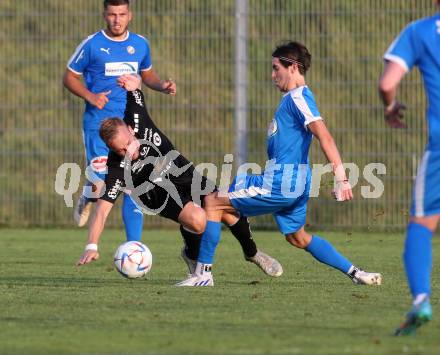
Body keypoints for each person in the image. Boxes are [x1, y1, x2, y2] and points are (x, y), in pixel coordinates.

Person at [176, 41, 383, 287]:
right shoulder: (291, 100)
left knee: (212, 201)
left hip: (281, 181)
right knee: (298, 238)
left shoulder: (299, 98)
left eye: (276, 68)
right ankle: (356, 274)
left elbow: (324, 135)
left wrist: (342, 178)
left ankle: (203, 275)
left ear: (293, 67)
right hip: (293, 182)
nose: (273, 75)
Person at [76, 83, 283, 280]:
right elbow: (102, 210)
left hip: (183, 174)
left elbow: (135, 89)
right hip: (157, 194)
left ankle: (253, 253)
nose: (128, 151)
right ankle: (191, 255)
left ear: (131, 129)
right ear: (112, 149)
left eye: (128, 144)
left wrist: (133, 83)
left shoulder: (137, 117)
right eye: (120, 150)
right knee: (198, 219)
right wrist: (91, 246)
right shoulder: (116, 168)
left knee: (229, 210)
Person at [63, 0, 175, 243]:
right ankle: (88, 195)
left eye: (121, 14)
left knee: (132, 183)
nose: (117, 19)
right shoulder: (92, 44)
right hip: (98, 124)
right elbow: (69, 77)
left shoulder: (140, 44)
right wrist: (90, 96)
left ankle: (133, 245)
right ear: (105, 14)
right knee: (101, 182)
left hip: (129, 126)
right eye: (112, 14)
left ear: (129, 15)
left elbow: (147, 74)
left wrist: (161, 86)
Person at [378, 4, 440, 335]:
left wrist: (390, 107)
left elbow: (388, 82)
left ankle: (421, 301)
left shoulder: (420, 31)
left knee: (422, 223)